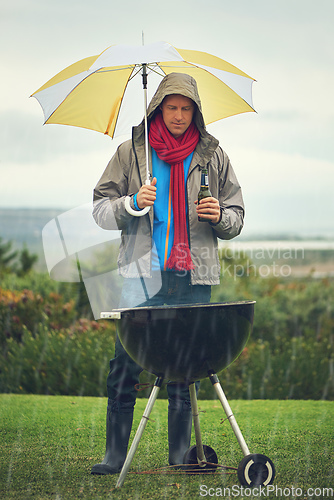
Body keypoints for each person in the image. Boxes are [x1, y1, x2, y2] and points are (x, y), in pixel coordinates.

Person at [91, 72, 245, 474]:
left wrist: (220, 216)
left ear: (196, 111)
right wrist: (130, 203)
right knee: (124, 363)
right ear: (158, 107)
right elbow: (101, 210)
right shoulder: (131, 154)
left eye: (185, 108)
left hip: (193, 278)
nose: (178, 115)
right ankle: (113, 456)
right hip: (141, 277)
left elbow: (237, 216)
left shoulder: (213, 155)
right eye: (171, 107)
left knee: (184, 367)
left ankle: (179, 456)